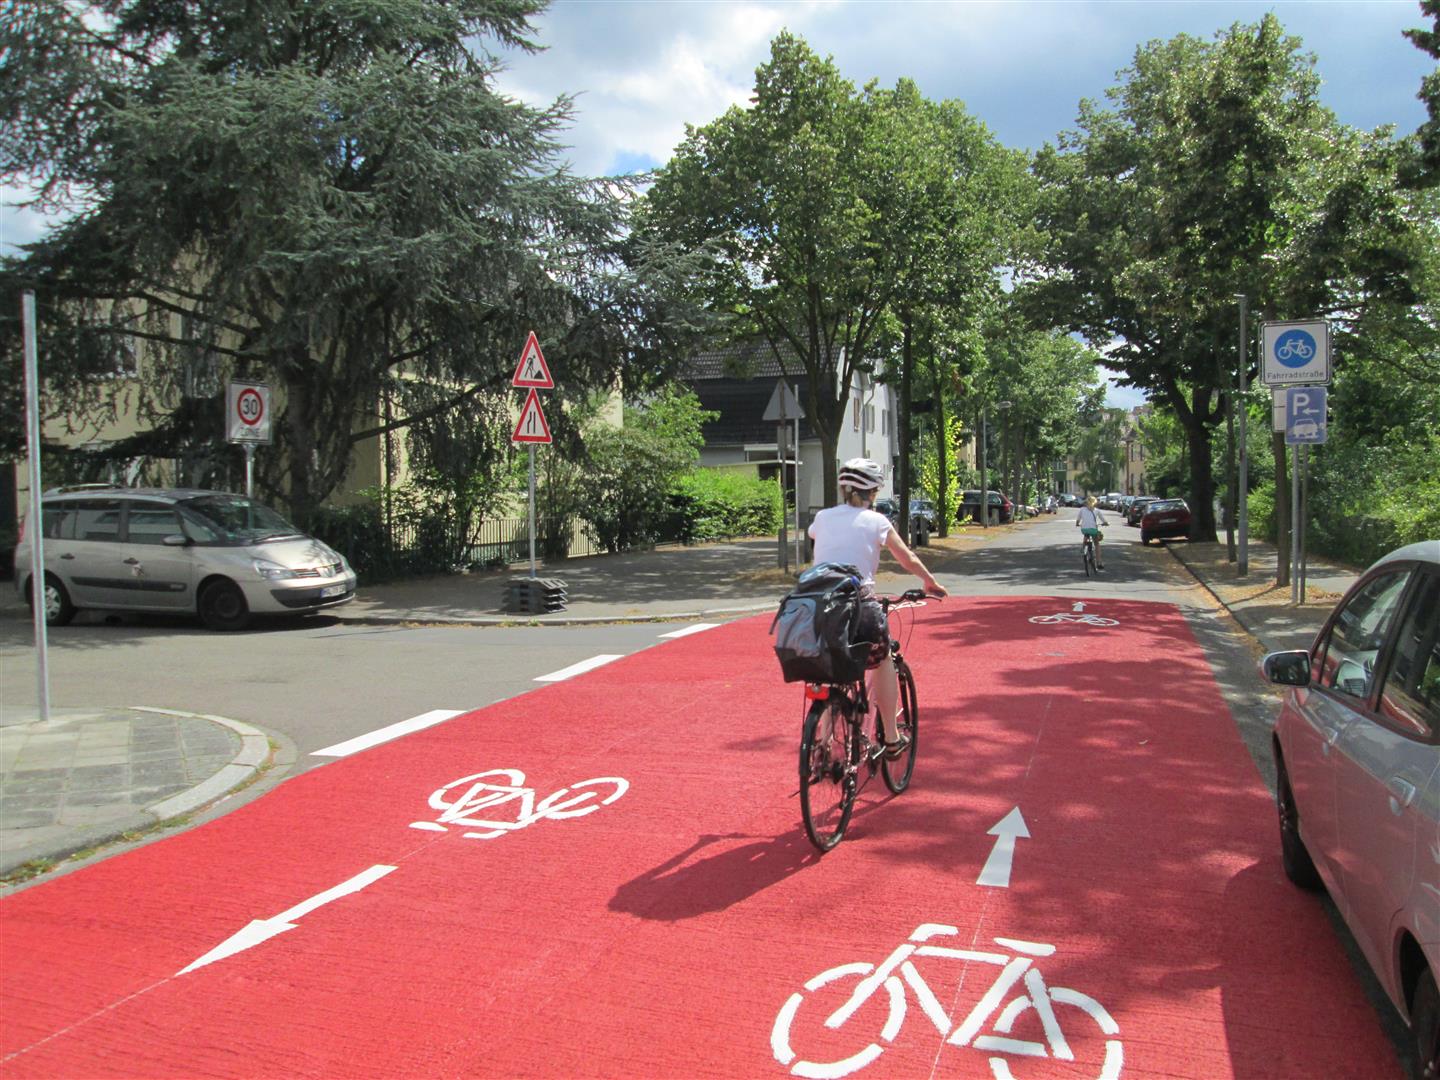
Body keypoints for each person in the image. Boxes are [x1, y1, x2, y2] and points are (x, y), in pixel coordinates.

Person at [807, 458, 948, 758]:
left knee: (833, 673)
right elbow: (906, 557)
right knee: (882, 658)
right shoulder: (877, 521)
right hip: (858, 606)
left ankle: (822, 743)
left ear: (845, 489)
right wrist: (929, 581)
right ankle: (893, 739)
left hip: (818, 607)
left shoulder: (822, 518)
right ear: (872, 491)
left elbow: (816, 539)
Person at [1076, 495, 1107, 569]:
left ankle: (1084, 547)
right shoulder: (1097, 510)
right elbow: (1103, 520)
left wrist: (1077, 524)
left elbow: (1078, 519)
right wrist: (1105, 523)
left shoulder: (1082, 509)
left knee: (1086, 533)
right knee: (1096, 544)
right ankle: (1099, 562)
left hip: (1084, 529)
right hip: (1093, 530)